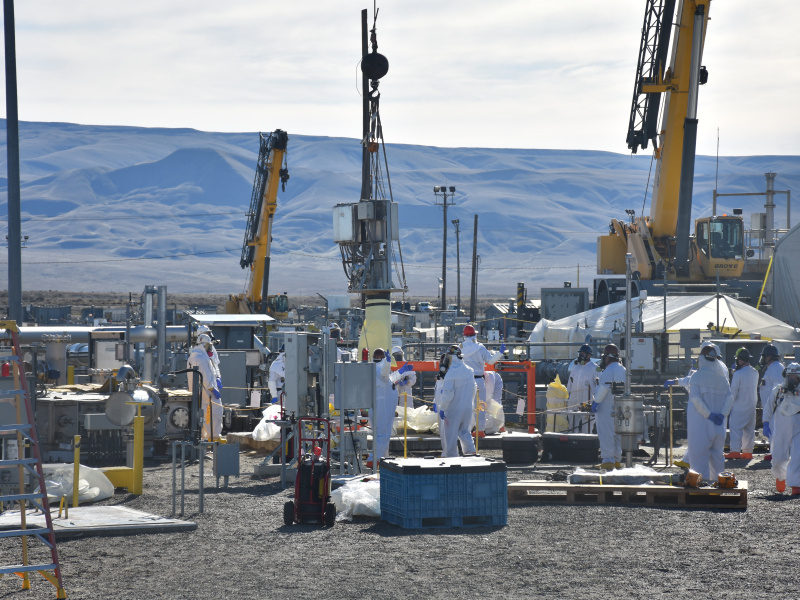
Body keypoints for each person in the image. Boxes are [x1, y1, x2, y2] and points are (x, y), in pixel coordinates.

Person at [687, 345, 733, 482]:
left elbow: (695, 398)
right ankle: (720, 485)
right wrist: (722, 414)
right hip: (719, 425)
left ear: (701, 359)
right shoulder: (722, 379)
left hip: (701, 426)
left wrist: (708, 415)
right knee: (718, 457)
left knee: (699, 458)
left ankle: (702, 489)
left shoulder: (697, 377)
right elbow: (730, 399)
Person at [366, 348, 413, 466]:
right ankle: (375, 460)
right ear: (383, 359)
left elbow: (389, 379)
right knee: (383, 434)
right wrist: (387, 362)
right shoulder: (380, 369)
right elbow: (385, 373)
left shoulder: (374, 369)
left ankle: (382, 457)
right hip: (382, 407)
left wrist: (401, 372)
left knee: (379, 434)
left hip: (378, 406)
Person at [435, 345, 478, 458]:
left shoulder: (451, 373)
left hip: (453, 410)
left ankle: (451, 458)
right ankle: (471, 453)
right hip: (467, 408)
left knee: (451, 436)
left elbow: (448, 394)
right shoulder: (469, 371)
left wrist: (442, 407)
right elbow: (474, 390)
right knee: (465, 432)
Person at [460, 324, 504, 432]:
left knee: (464, 406)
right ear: (474, 335)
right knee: (480, 406)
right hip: (479, 380)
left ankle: (465, 429)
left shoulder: (459, 348)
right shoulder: (480, 347)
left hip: (464, 381)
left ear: (464, 336)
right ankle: (480, 431)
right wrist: (500, 352)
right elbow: (491, 361)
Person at [765, 363, 800, 493]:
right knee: (778, 459)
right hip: (780, 429)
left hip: (798, 429)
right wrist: (765, 422)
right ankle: (780, 477)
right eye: (790, 376)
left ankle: (796, 486)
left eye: (795, 377)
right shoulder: (778, 391)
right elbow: (769, 406)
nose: (792, 379)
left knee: (798, 457)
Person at [592, 344, 625, 470]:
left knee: (606, 433)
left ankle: (607, 460)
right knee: (617, 434)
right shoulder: (623, 369)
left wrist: (596, 402)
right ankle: (617, 459)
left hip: (606, 406)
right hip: (620, 406)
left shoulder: (609, 370)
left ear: (608, 357)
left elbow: (604, 388)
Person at [187, 334, 223, 441]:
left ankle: (204, 437)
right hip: (207, 392)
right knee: (215, 413)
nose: (210, 348)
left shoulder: (195, 356)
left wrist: (217, 379)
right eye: (209, 346)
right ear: (204, 345)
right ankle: (214, 437)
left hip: (200, 391)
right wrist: (214, 390)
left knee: (203, 415)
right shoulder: (201, 358)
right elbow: (206, 379)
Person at [726, 348, 759, 460]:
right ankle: (748, 452)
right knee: (749, 431)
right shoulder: (755, 372)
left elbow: (733, 392)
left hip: (739, 407)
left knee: (735, 429)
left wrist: (727, 406)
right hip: (751, 407)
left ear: (741, 360)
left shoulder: (738, 374)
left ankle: (735, 451)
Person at [759, 344, 785, 460]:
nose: (763, 359)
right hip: (770, 407)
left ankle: (777, 453)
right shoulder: (772, 368)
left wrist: (773, 405)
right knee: (772, 430)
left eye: (765, 356)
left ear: (770, 356)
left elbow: (777, 389)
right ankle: (774, 451)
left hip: (775, 407)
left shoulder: (776, 368)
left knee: (776, 430)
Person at [567, 344, 597, 433]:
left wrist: (597, 400)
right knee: (572, 425)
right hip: (574, 400)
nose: (581, 355)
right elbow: (570, 382)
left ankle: (586, 443)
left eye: (583, 354)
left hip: (587, 401)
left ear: (589, 355)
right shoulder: (576, 366)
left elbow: (599, 384)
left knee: (587, 425)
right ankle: (572, 442)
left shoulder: (594, 367)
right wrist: (567, 396)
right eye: (581, 353)